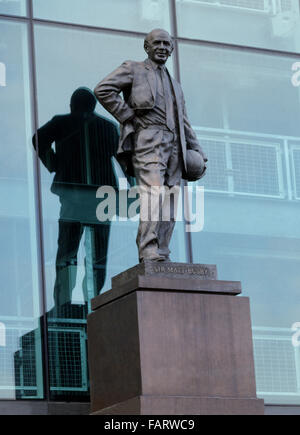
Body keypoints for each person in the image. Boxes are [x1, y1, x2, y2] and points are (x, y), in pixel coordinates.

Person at [94, 29, 207, 263]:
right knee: (153, 192)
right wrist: (127, 116)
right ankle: (147, 249)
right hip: (148, 138)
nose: (163, 47)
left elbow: (183, 121)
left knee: (170, 196)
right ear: (147, 47)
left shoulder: (175, 84)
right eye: (158, 43)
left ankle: (162, 251)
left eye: (167, 44)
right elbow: (103, 89)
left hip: (174, 143)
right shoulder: (134, 68)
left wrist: (197, 151)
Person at [33, 87, 119, 314]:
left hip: (76, 195)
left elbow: (38, 139)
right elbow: (125, 160)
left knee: (68, 252)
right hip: (101, 197)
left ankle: (64, 302)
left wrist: (53, 164)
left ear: (72, 106)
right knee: (96, 254)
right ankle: (92, 300)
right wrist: (134, 187)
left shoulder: (62, 123)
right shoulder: (108, 127)